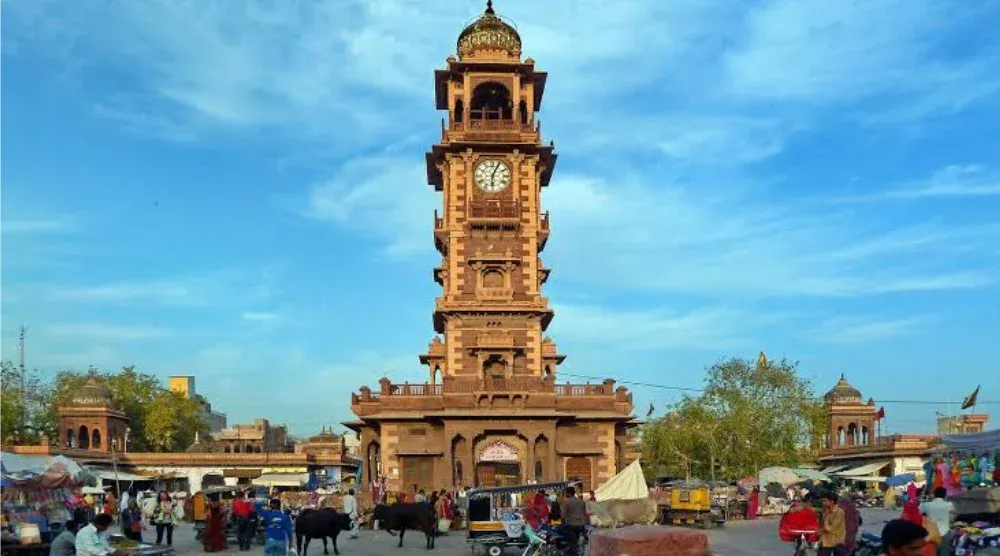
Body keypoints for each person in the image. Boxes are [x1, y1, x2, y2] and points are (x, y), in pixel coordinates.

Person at [558, 486, 587, 556]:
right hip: (582, 525)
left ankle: (570, 549)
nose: (565, 494)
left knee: (559, 530)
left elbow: (562, 515)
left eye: (565, 492)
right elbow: (584, 513)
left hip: (572, 525)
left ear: (568, 493)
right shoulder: (581, 501)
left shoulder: (567, 502)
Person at [818, 491, 846, 556]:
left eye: (825, 501)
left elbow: (831, 528)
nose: (823, 503)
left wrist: (820, 530)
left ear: (832, 502)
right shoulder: (825, 510)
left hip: (837, 540)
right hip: (826, 540)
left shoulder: (840, 512)